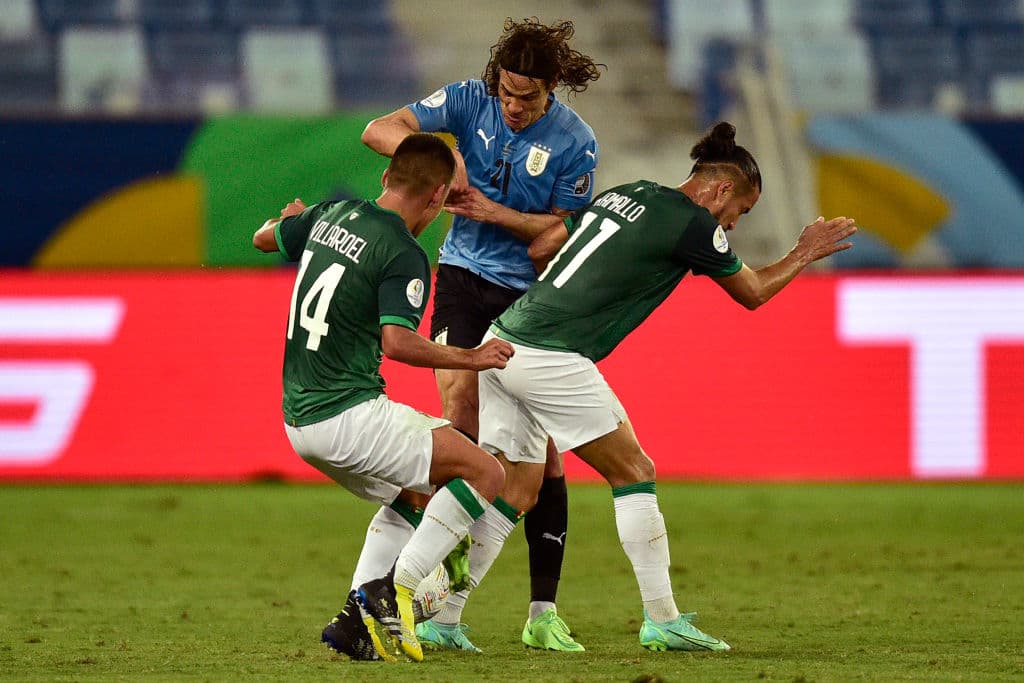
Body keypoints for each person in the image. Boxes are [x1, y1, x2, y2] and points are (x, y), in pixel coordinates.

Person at [450, 121, 857, 652]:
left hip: (503, 340)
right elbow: (753, 292)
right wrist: (804, 251)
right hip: (550, 353)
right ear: (720, 190)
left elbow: (545, 249)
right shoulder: (694, 225)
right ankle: (661, 619)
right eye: (740, 211)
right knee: (634, 471)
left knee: (518, 488)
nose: (733, 225)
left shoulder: (628, 191)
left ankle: (441, 614)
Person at [359, 17, 603, 653]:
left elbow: (562, 236)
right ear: (496, 80)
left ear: (552, 89)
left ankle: (541, 609)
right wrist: (447, 157)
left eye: (529, 97)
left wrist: (498, 213)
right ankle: (434, 583)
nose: (515, 107)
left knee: (541, 455)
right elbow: (379, 129)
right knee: (459, 407)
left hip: (529, 299)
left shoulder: (577, 142)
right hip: (465, 279)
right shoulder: (468, 101)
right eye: (508, 93)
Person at [252, 133, 515, 662]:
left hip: (299, 423)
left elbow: (262, 239)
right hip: (349, 414)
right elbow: (397, 342)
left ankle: (354, 625)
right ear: (438, 197)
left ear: (385, 179)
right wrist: (471, 357)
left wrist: (298, 222)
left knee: (416, 494)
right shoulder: (402, 251)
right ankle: (393, 591)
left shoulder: (332, 214)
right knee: (486, 473)